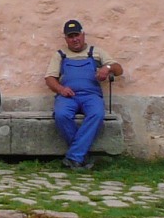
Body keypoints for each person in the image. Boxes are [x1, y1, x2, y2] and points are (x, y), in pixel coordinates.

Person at [46, 18, 123, 170]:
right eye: (70, 36)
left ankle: (74, 156)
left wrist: (106, 68)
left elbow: (119, 69)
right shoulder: (60, 55)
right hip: (68, 96)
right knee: (61, 115)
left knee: (97, 114)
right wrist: (61, 89)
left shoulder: (96, 52)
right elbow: (49, 79)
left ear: (83, 34)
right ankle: (79, 156)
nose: (75, 39)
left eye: (77, 35)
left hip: (91, 95)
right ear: (66, 39)